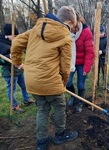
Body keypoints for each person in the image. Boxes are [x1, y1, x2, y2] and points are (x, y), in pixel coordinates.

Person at [10, 6, 78, 149]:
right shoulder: (65, 37)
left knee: (42, 109)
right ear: (70, 22)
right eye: (74, 25)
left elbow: (16, 43)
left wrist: (17, 62)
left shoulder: (35, 29)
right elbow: (65, 66)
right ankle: (60, 134)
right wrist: (63, 83)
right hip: (51, 82)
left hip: (32, 81)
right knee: (59, 106)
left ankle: (41, 142)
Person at [0, 24, 35, 113]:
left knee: (24, 85)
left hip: (18, 69)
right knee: (12, 89)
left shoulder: (13, 42)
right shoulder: (1, 44)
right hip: (9, 71)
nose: (15, 37)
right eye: (14, 35)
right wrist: (9, 56)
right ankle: (14, 106)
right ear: (7, 35)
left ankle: (26, 100)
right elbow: (1, 60)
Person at [66, 12, 94, 113]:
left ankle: (80, 102)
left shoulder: (86, 32)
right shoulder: (66, 31)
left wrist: (87, 68)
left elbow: (90, 52)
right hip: (70, 62)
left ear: (77, 22)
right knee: (67, 82)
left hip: (82, 63)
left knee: (81, 85)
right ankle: (73, 96)